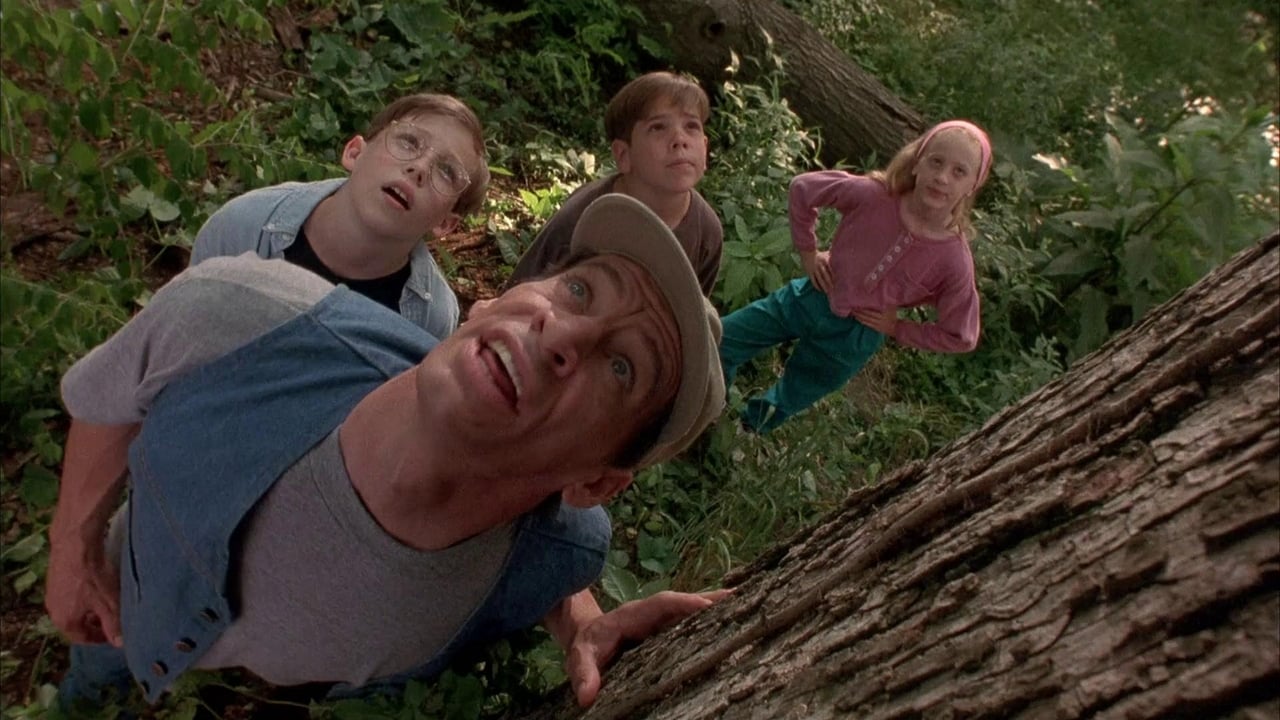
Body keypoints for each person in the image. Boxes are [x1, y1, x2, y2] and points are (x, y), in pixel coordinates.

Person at [46, 194, 727, 714]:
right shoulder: (240, 314)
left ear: (596, 483)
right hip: (124, 590)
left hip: (248, 666)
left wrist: (583, 624)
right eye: (579, 289)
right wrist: (74, 549)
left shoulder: (564, 552)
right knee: (93, 675)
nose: (563, 334)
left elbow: (546, 552)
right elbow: (104, 402)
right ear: (488, 304)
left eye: (621, 368)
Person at [719, 120, 993, 433]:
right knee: (725, 338)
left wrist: (898, 328)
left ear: (973, 185)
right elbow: (804, 188)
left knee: (790, 396)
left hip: (853, 339)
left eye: (959, 172)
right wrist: (808, 253)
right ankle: (705, 401)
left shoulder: (954, 260)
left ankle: (740, 434)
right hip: (812, 294)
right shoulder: (874, 195)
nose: (942, 177)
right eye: (936, 162)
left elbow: (961, 335)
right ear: (917, 162)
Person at [189, 93, 490, 340]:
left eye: (447, 172)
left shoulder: (432, 318)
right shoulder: (245, 227)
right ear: (355, 153)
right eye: (409, 142)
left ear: (445, 224)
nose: (420, 168)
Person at [506, 71, 723, 296]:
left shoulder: (706, 232)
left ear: (705, 147)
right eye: (658, 127)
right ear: (623, 155)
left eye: (691, 126)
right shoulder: (583, 218)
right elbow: (518, 294)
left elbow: (693, 311)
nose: (680, 140)